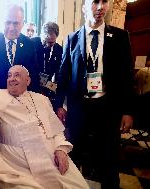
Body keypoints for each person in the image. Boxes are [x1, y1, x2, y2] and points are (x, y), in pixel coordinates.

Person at [54, 0, 135, 188]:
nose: (100, 7)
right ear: (84, 7)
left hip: (108, 109)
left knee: (109, 161)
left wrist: (128, 111)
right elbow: (63, 75)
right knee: (75, 158)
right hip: (79, 110)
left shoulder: (121, 37)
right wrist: (59, 105)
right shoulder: (71, 38)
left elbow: (126, 77)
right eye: (94, 2)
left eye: (104, 2)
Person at [0, 4, 39, 96]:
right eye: (8, 23)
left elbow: (33, 77)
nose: (11, 28)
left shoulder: (29, 44)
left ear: (23, 23)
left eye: (15, 23)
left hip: (21, 100)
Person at [36, 21, 63, 100]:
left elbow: (58, 73)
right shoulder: (32, 44)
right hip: (32, 86)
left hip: (47, 88)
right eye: (46, 41)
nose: (48, 45)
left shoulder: (59, 50)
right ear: (42, 35)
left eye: (51, 42)